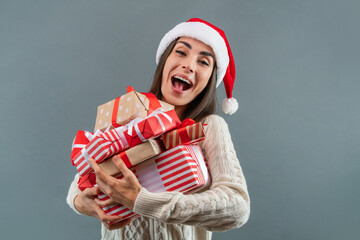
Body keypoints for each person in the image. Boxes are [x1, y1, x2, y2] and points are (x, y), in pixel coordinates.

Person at [67, 18, 250, 240]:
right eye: (181, 52)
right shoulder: (130, 112)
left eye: (203, 62)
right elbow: (84, 178)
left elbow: (237, 208)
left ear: (211, 79)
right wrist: (79, 202)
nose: (189, 65)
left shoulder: (208, 127)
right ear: (165, 60)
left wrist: (142, 201)